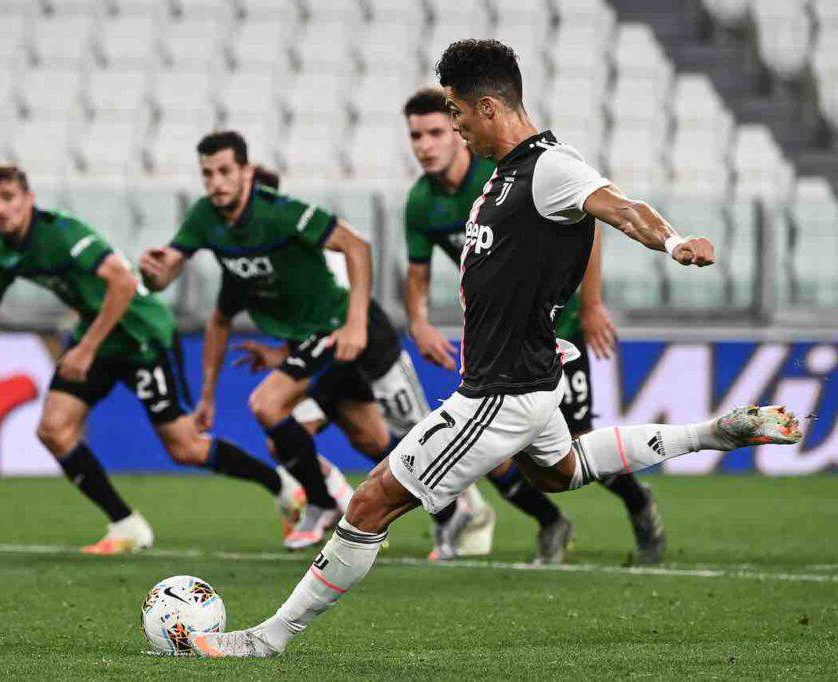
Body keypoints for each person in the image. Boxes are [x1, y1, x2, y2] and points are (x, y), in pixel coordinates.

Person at [189, 39, 802, 658]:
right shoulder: (503, 176)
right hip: (530, 380)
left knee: (371, 500)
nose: (453, 128)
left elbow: (623, 208)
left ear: (485, 107)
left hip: (500, 391)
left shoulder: (551, 168)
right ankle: (711, 434)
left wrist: (671, 243)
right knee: (561, 472)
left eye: (455, 113)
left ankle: (267, 640)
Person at [0, 164, 304, 555]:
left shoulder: (61, 234)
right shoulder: (2, 252)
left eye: (8, 198)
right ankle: (126, 524)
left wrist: (84, 350)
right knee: (54, 429)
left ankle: (282, 486)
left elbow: (121, 281)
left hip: (142, 335)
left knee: (185, 447)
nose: (1, 208)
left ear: (28, 199)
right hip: (100, 337)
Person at [140, 131, 479, 553]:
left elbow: (356, 245)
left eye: (225, 171)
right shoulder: (208, 223)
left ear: (245, 172)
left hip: (343, 328)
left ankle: (321, 502)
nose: (216, 182)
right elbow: (176, 279)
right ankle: (448, 508)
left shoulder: (280, 214)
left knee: (268, 405)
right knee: (370, 440)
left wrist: (354, 323)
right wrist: (154, 275)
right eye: (207, 174)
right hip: (315, 344)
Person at [402, 86, 666, 563]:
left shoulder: (506, 169)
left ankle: (637, 501)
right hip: (500, 338)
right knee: (494, 448)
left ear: (458, 129)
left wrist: (591, 305)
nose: (426, 144)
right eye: (416, 135)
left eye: (437, 131)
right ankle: (551, 521)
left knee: (578, 443)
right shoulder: (421, 204)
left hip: (558, 329)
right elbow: (416, 276)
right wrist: (418, 321)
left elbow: (583, 216)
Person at [225, 165, 496, 560]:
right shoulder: (264, 262)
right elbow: (310, 329)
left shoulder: (313, 247)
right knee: (312, 437)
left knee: (412, 438)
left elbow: (340, 311)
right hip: (328, 361)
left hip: (372, 353)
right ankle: (350, 502)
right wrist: (283, 356)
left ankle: (460, 509)